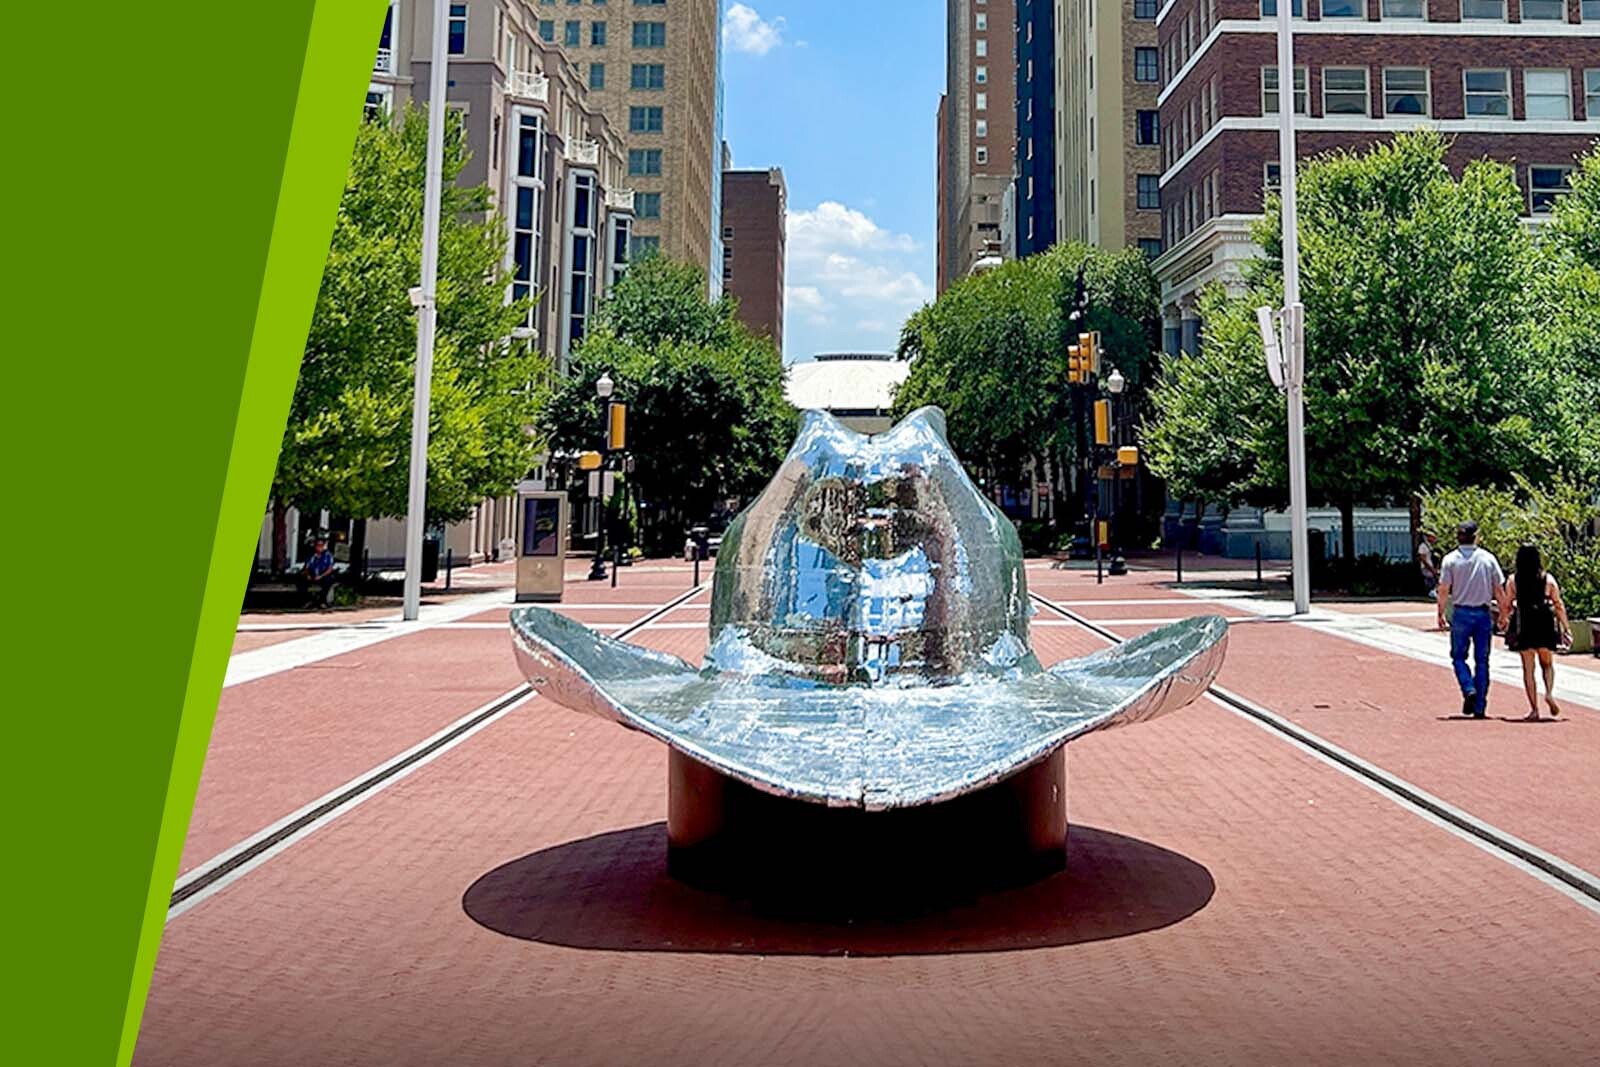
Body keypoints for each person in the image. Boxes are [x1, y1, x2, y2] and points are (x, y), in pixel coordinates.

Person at [1436, 521, 1504, 718]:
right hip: (1483, 613)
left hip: (1461, 613)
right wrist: (1503, 613)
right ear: (1477, 536)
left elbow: (1443, 589)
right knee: (1482, 660)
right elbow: (1498, 589)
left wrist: (1440, 612)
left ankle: (1468, 688)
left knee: (1458, 657)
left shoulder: (1450, 560)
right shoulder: (1488, 559)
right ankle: (1480, 705)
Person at [1496, 543, 1571, 721]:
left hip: (1524, 621)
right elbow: (1558, 605)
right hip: (1544, 620)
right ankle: (1549, 693)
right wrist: (1566, 627)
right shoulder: (1548, 579)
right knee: (1547, 663)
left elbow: (1507, 604)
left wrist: (1503, 619)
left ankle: (1534, 709)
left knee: (1528, 668)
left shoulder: (1514, 580)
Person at [300, 537, 337, 609]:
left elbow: (330, 569)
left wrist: (321, 576)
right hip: (313, 574)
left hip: (323, 575)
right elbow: (306, 567)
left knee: (328, 581)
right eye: (318, 545)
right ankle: (308, 601)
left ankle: (322, 601)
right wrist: (308, 575)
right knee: (302, 582)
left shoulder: (328, 555)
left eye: (321, 545)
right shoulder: (311, 555)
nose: (319, 547)